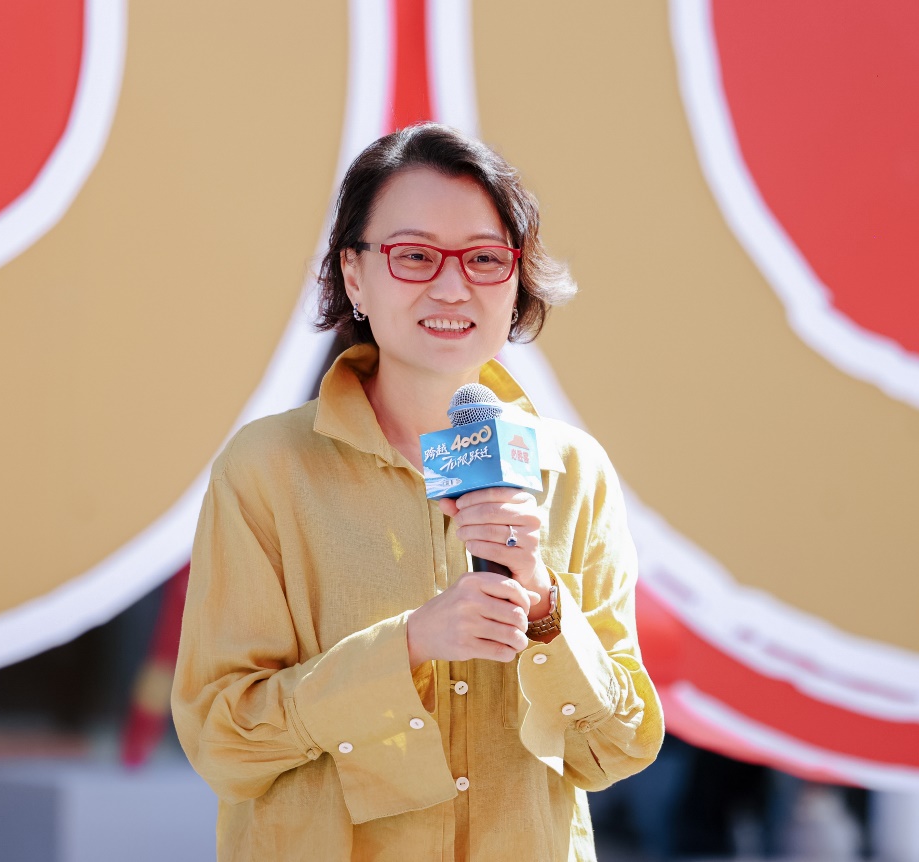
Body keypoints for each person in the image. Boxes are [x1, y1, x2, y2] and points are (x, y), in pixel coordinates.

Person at [171, 123, 663, 861]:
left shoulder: (573, 472)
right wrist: (408, 646)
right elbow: (222, 741)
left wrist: (542, 606)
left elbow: (616, 750)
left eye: (484, 258)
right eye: (414, 255)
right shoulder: (267, 468)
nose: (452, 286)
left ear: (516, 281)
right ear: (355, 275)